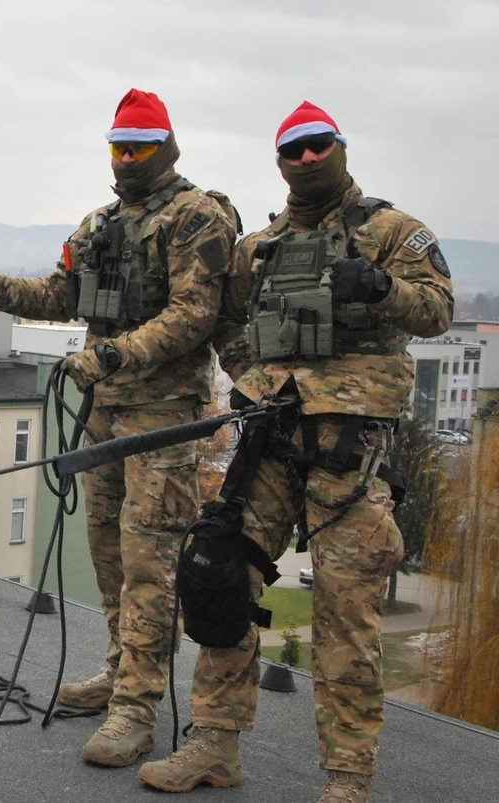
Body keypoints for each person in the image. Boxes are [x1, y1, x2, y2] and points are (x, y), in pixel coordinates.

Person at [137, 102, 454, 802]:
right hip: (272, 444)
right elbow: (232, 318)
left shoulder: (390, 230)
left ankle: (346, 777)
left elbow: (437, 308)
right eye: (293, 150)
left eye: (318, 146)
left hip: (350, 450)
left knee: (345, 615)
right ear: (279, 162)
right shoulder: (262, 246)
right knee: (216, 576)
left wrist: (383, 286)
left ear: (337, 147)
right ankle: (214, 744)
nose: (307, 159)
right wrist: (250, 377)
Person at [0, 89, 236, 766]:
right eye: (117, 146)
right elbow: (60, 293)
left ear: (166, 146)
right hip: (105, 411)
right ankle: (120, 674)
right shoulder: (99, 223)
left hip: (164, 417)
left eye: (138, 146)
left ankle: (138, 711)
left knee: (148, 562)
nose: (126, 158)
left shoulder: (199, 216)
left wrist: (114, 352)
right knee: (107, 550)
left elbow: (194, 315)